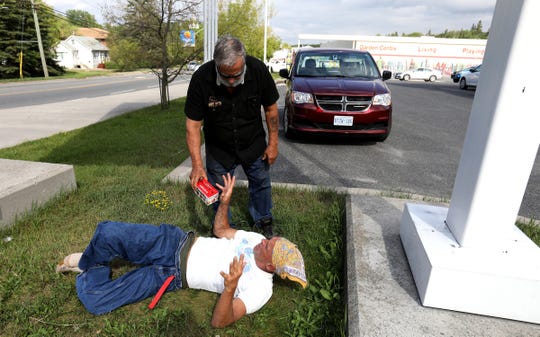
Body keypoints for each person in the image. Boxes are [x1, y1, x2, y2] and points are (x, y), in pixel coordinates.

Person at [56, 174, 307, 328]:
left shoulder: (261, 289)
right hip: (173, 242)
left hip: (170, 276)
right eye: (270, 239)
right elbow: (221, 230)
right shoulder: (255, 237)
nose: (263, 241)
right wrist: (225, 202)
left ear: (272, 266)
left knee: (95, 301)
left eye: (268, 246)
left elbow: (220, 322)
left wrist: (230, 287)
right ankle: (91, 260)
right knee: (107, 232)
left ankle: (93, 265)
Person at [184, 35, 280, 238]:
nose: (231, 81)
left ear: (244, 62)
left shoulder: (258, 70)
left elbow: (271, 110)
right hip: (219, 149)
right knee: (219, 190)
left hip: (253, 144)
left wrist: (273, 144)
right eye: (225, 76)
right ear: (216, 65)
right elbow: (193, 124)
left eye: (236, 75)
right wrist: (197, 164)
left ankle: (263, 219)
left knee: (261, 183)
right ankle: (226, 227)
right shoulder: (201, 78)